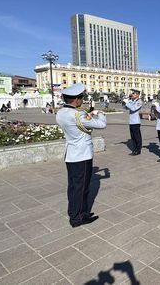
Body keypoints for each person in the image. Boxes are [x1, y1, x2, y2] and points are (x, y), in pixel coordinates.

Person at [56, 83, 106, 228]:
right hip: (82, 155)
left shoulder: (61, 113)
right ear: (76, 100)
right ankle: (77, 217)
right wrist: (100, 113)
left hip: (71, 154)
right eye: (81, 98)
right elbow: (101, 124)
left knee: (74, 186)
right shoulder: (78, 115)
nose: (82, 100)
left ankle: (78, 212)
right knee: (81, 187)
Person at [122, 89, 143, 156]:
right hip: (131, 121)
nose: (132, 94)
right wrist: (124, 102)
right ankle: (134, 149)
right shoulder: (131, 101)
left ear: (137, 94)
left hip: (136, 122)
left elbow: (133, 108)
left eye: (133, 93)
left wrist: (127, 103)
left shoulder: (139, 102)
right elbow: (126, 108)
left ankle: (138, 150)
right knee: (133, 137)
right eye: (132, 93)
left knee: (137, 137)